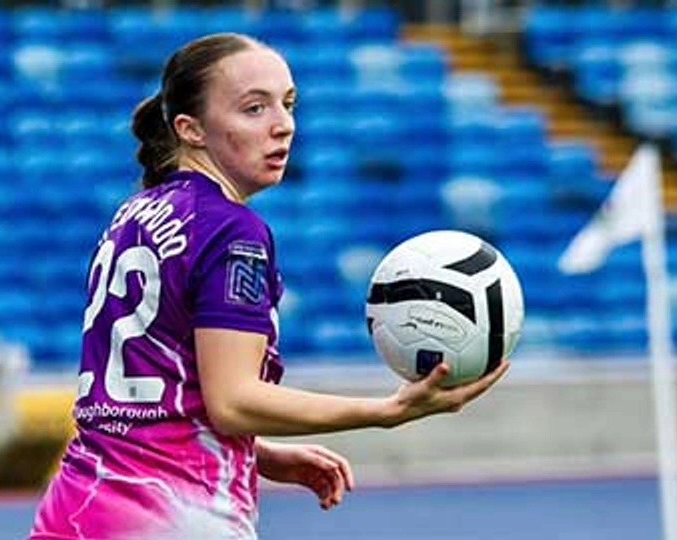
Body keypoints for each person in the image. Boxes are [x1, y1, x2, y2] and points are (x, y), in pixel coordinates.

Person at [28, 32, 509, 540]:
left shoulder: (133, 213)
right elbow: (233, 401)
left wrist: (257, 454)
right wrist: (386, 411)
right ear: (190, 129)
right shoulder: (232, 230)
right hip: (174, 517)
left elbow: (151, 402)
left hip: (76, 509)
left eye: (288, 104)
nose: (283, 125)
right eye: (254, 108)